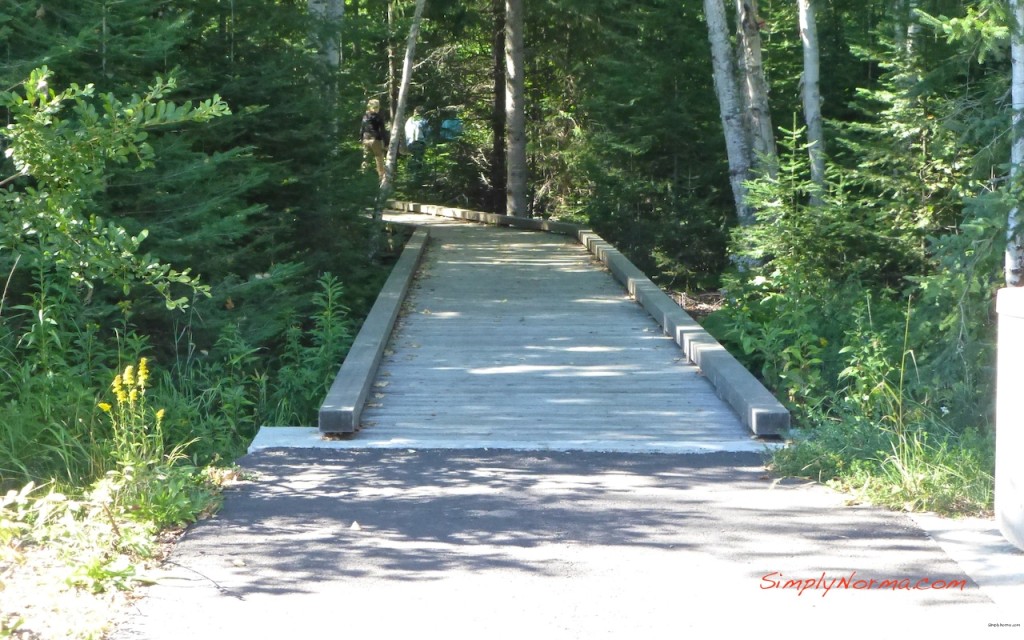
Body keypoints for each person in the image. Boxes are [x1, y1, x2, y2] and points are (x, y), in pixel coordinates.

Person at [360, 98, 388, 181]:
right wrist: (386, 143)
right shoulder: (378, 117)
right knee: (379, 160)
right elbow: (382, 131)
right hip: (375, 139)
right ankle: (381, 179)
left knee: (366, 158)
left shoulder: (365, 116)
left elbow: (362, 129)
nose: (377, 109)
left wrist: (361, 139)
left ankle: (363, 176)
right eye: (376, 107)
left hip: (365, 139)